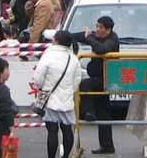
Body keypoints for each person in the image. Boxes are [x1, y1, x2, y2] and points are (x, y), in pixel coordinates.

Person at [72, 16, 119, 154]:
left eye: (100, 27)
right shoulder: (98, 36)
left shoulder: (112, 40)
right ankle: (107, 145)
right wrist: (66, 37)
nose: (97, 29)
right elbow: (83, 36)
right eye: (96, 26)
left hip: (106, 78)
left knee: (83, 85)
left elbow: (100, 49)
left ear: (108, 30)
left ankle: (88, 112)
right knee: (103, 113)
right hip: (98, 78)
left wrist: (90, 37)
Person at [33, 30, 83, 158]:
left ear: (56, 41)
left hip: (50, 99)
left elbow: (38, 78)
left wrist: (41, 88)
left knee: (52, 131)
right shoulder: (73, 58)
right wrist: (69, 91)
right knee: (67, 130)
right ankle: (66, 156)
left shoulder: (48, 55)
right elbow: (77, 79)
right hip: (66, 99)